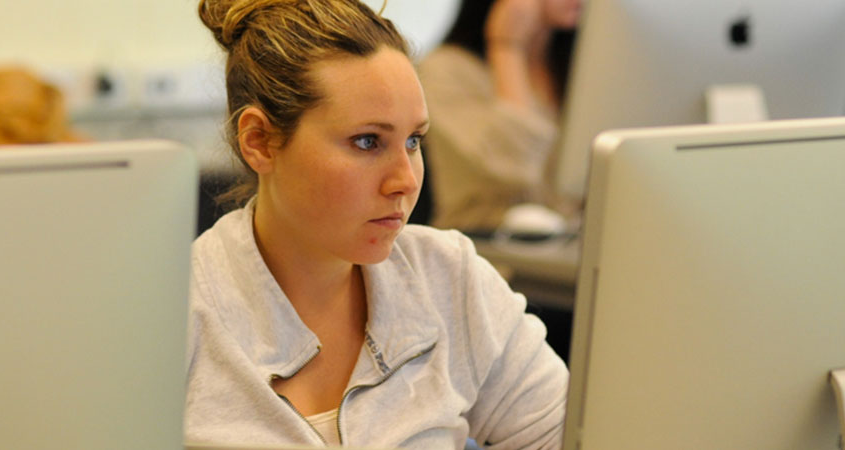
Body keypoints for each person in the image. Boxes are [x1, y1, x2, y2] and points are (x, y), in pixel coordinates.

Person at [186, 0, 569, 448]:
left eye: (413, 141)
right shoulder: (171, 318)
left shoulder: (450, 280)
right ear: (260, 142)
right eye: (367, 141)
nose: (405, 181)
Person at [417, 0, 580, 232]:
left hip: (563, 244)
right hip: (485, 246)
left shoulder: (570, 70)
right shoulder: (444, 70)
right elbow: (515, 166)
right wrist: (507, 48)